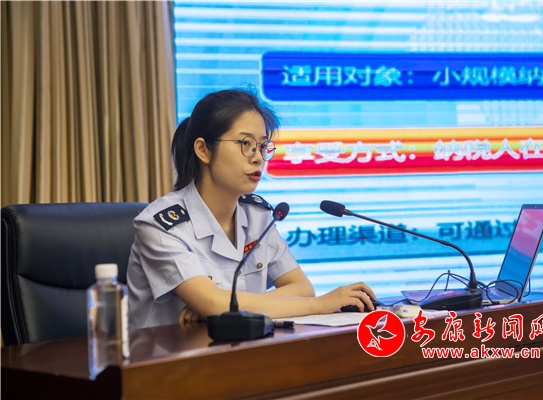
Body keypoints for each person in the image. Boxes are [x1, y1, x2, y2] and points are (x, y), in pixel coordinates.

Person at [127, 88, 377, 330]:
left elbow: (302, 288)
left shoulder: (257, 216)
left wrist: (228, 308)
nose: (257, 157)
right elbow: (213, 303)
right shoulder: (161, 225)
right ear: (203, 150)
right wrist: (317, 305)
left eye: (262, 146)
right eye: (245, 143)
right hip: (165, 355)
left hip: (238, 348)